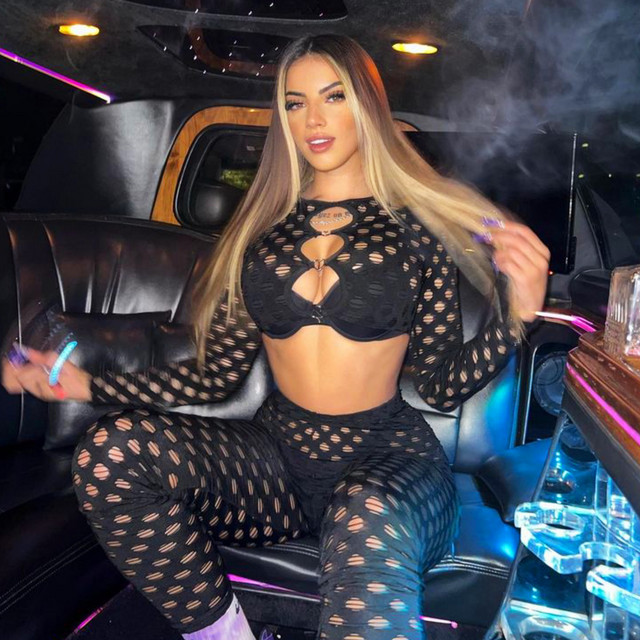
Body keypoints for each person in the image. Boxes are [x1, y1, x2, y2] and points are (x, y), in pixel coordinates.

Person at [2, 34, 549, 640]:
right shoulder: (259, 233)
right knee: (110, 452)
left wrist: (516, 315)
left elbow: (442, 388)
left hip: (389, 460)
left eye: (333, 97)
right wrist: (90, 384)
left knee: (365, 510)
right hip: (276, 462)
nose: (313, 119)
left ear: (366, 105)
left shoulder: (417, 229)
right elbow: (215, 377)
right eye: (294, 102)